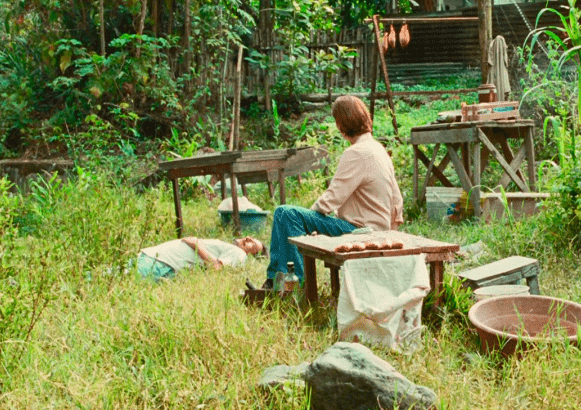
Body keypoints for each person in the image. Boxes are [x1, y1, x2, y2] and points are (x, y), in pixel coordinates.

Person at [263, 95, 403, 287]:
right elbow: (397, 202)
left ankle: (289, 284)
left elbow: (331, 199)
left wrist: (310, 222)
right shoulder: (379, 150)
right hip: (376, 230)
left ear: (341, 124)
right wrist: (390, 232)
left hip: (361, 231)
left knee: (285, 214)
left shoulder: (356, 152)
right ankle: (281, 281)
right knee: (292, 216)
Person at [137, 236, 265, 282]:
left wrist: (197, 245)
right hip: (157, 258)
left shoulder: (240, 254)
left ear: (251, 254)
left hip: (160, 262)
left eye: (252, 244)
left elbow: (217, 268)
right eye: (251, 238)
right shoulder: (232, 249)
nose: (248, 238)